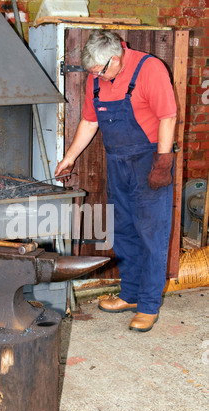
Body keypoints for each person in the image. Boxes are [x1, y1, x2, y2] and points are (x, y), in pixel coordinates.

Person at [55, 30, 177, 332]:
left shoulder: (150, 69)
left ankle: (149, 305)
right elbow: (89, 120)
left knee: (151, 234)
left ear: (115, 57)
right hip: (118, 163)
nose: (96, 77)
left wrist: (163, 162)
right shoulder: (97, 78)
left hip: (149, 161)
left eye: (100, 70)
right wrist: (69, 157)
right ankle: (131, 294)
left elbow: (168, 117)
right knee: (122, 230)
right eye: (92, 72)